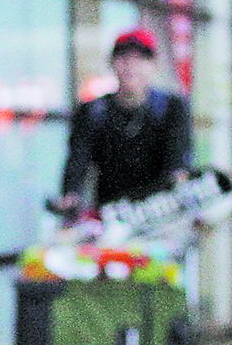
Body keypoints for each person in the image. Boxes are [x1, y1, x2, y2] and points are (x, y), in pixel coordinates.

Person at [58, 27, 194, 213]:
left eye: (140, 59)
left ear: (153, 65)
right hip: (111, 215)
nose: (131, 66)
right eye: (123, 58)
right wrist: (70, 196)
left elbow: (178, 163)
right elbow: (77, 162)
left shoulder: (172, 108)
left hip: (160, 214)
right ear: (112, 63)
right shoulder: (93, 111)